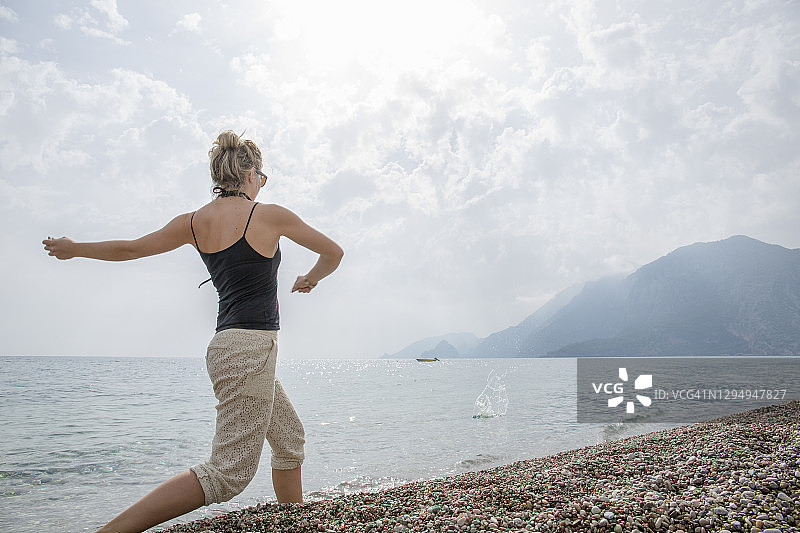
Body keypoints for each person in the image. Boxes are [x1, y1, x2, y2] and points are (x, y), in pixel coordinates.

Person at [42, 130, 344, 533]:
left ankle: (295, 522)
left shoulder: (193, 221)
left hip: (231, 347)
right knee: (228, 473)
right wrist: (311, 278)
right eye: (262, 177)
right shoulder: (270, 215)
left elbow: (131, 248)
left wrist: (76, 248)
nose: (262, 183)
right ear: (251, 175)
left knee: (289, 440)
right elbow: (333, 253)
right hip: (249, 350)